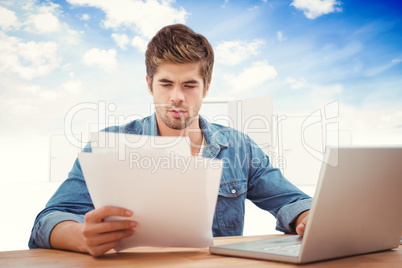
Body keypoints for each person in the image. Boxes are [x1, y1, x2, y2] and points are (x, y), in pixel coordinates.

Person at [29, 24, 311, 257]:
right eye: (166, 84)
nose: (177, 96)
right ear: (149, 84)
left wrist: (307, 218)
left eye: (189, 85)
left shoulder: (238, 147)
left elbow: (292, 201)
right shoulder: (108, 145)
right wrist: (80, 236)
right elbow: (48, 220)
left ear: (206, 88)